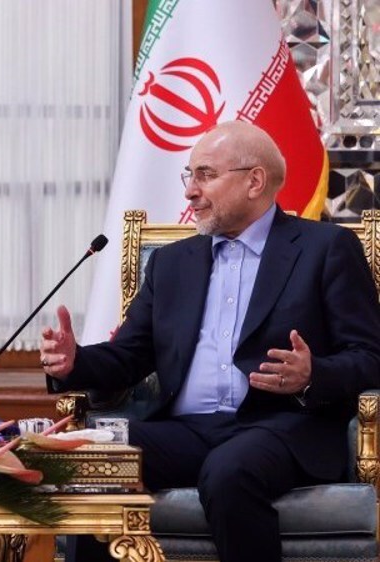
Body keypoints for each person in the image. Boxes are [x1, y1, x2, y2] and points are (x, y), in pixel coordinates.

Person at [40, 121, 380, 562]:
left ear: (254, 181)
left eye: (205, 175)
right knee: (94, 460)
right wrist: (74, 363)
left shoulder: (326, 248)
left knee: (229, 472)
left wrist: (313, 374)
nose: (190, 191)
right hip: (187, 430)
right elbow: (131, 355)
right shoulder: (172, 262)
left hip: (281, 428)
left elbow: (369, 356)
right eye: (189, 175)